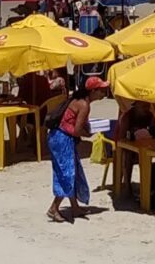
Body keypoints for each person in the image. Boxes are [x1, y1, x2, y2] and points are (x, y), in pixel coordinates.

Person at [46, 75, 104, 222]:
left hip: (58, 137)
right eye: (101, 90)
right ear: (93, 91)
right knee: (67, 173)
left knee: (72, 170)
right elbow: (77, 130)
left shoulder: (78, 100)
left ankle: (75, 207)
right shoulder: (84, 105)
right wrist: (89, 133)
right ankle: (54, 208)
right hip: (62, 139)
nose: (103, 93)